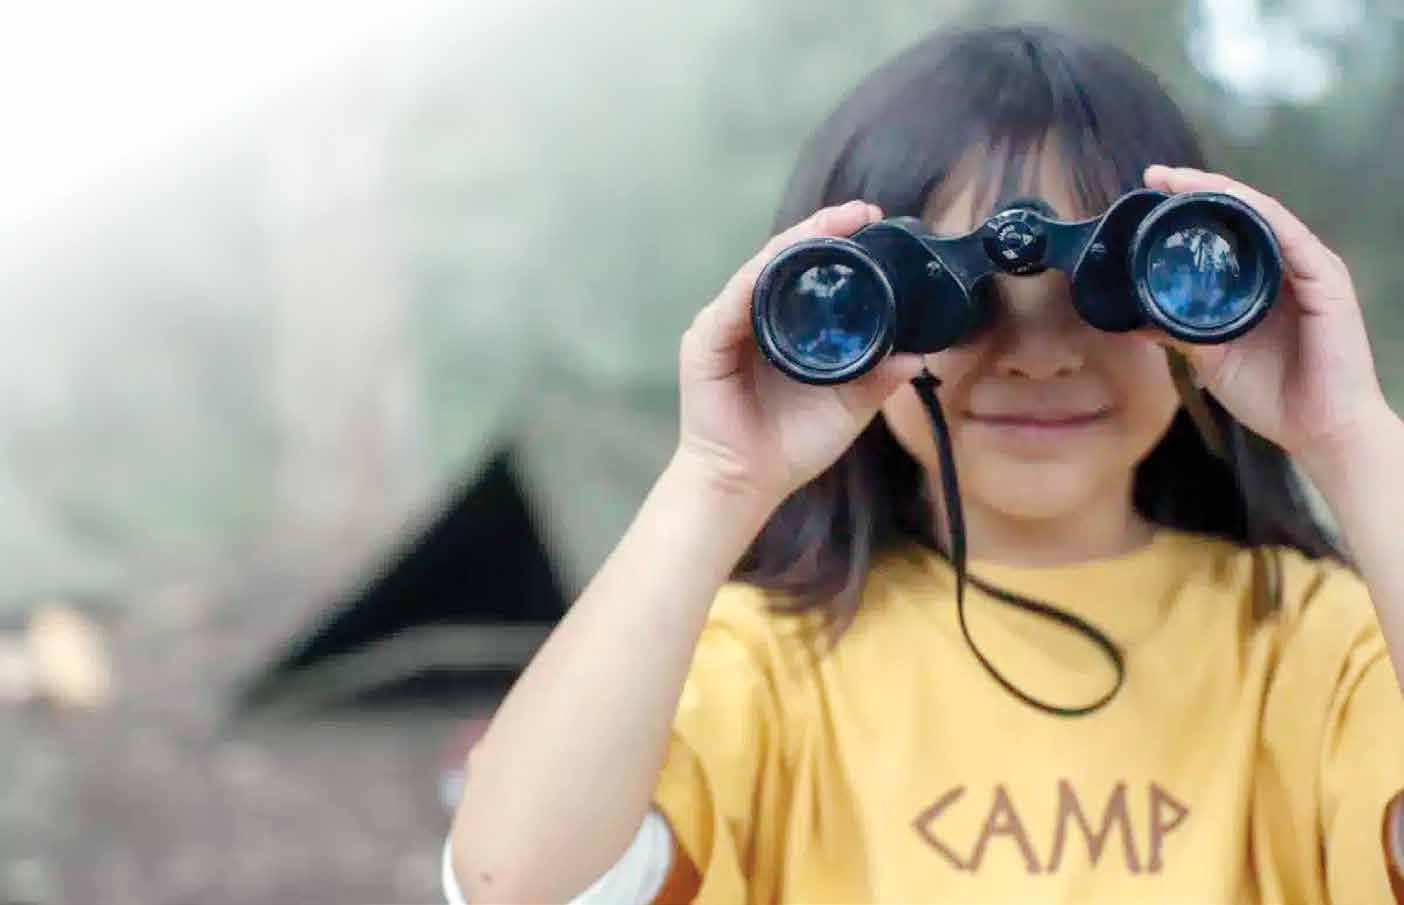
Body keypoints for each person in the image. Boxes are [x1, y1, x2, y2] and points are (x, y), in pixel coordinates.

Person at [444, 23, 1404, 904]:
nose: (1038, 358)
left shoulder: (1322, 645)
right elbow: (515, 885)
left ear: (1198, 322)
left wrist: (1351, 434)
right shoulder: (762, 663)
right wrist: (716, 478)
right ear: (870, 317)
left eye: (1102, 296)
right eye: (957, 308)